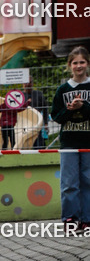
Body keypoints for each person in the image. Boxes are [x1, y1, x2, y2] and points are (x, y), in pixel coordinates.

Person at [51, 45, 90, 233]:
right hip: (69, 143)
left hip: (88, 142)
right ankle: (70, 219)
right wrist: (69, 110)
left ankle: (87, 219)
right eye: (75, 63)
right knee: (69, 184)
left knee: (88, 181)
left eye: (82, 62)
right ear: (69, 65)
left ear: (87, 64)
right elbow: (56, 116)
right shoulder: (63, 89)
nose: (78, 66)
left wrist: (83, 107)